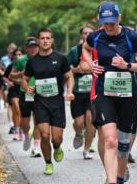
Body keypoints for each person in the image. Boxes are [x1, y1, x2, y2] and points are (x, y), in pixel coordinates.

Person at [82, 1, 137, 184]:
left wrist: (126, 65)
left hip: (128, 94)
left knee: (123, 144)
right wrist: (90, 65)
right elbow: (85, 49)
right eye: (105, 22)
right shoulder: (96, 36)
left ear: (119, 18)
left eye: (112, 21)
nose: (109, 26)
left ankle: (120, 182)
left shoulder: (131, 36)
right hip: (105, 92)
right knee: (110, 140)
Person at [24, 28, 74, 175]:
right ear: (38, 41)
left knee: (56, 139)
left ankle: (57, 148)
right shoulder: (32, 61)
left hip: (57, 102)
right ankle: (48, 163)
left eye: (48, 38)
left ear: (52, 40)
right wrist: (27, 88)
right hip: (40, 102)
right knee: (45, 135)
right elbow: (24, 79)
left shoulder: (61, 58)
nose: (45, 41)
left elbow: (69, 76)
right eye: (42, 38)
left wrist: (69, 91)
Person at [67, 24, 96, 159]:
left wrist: (87, 69)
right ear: (81, 35)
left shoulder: (98, 49)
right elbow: (66, 70)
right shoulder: (75, 51)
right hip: (78, 90)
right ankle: (79, 134)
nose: (88, 35)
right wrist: (76, 70)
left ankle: (87, 149)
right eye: (85, 33)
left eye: (90, 33)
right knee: (79, 123)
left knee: (90, 121)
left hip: (93, 91)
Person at [11, 38, 41, 155]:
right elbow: (11, 75)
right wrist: (20, 74)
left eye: (35, 47)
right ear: (27, 49)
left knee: (38, 120)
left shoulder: (42, 59)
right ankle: (26, 136)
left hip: (39, 94)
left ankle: (36, 148)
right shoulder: (21, 60)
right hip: (25, 93)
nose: (33, 49)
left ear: (38, 47)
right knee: (25, 121)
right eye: (30, 47)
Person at [1, 43, 17, 133]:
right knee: (10, 104)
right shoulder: (4, 59)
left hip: (19, 85)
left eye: (13, 48)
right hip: (8, 83)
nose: (12, 50)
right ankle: (11, 125)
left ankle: (17, 124)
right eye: (10, 48)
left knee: (16, 106)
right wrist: (3, 72)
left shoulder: (21, 59)